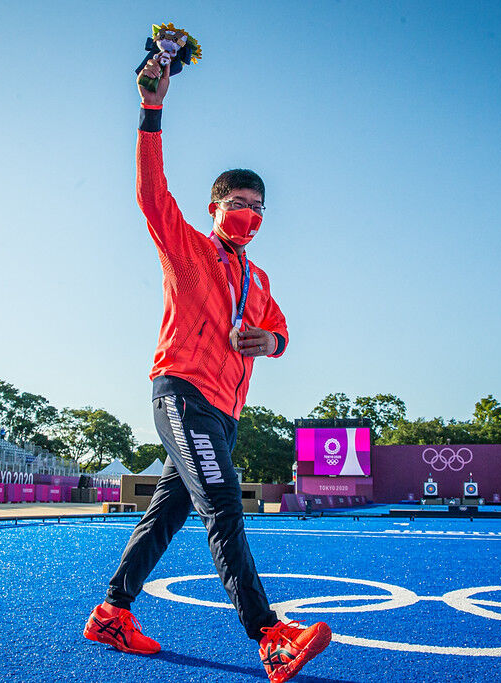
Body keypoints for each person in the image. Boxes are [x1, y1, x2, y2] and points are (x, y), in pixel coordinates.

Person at [83, 58, 331, 683]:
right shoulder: (187, 247)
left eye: (259, 207)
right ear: (215, 207)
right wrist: (152, 110)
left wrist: (270, 341)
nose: (250, 213)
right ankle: (269, 634)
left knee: (166, 514)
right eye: (239, 203)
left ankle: (112, 613)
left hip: (225, 414)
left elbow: (282, 332)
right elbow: (151, 193)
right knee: (223, 504)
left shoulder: (259, 279)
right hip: (182, 393)